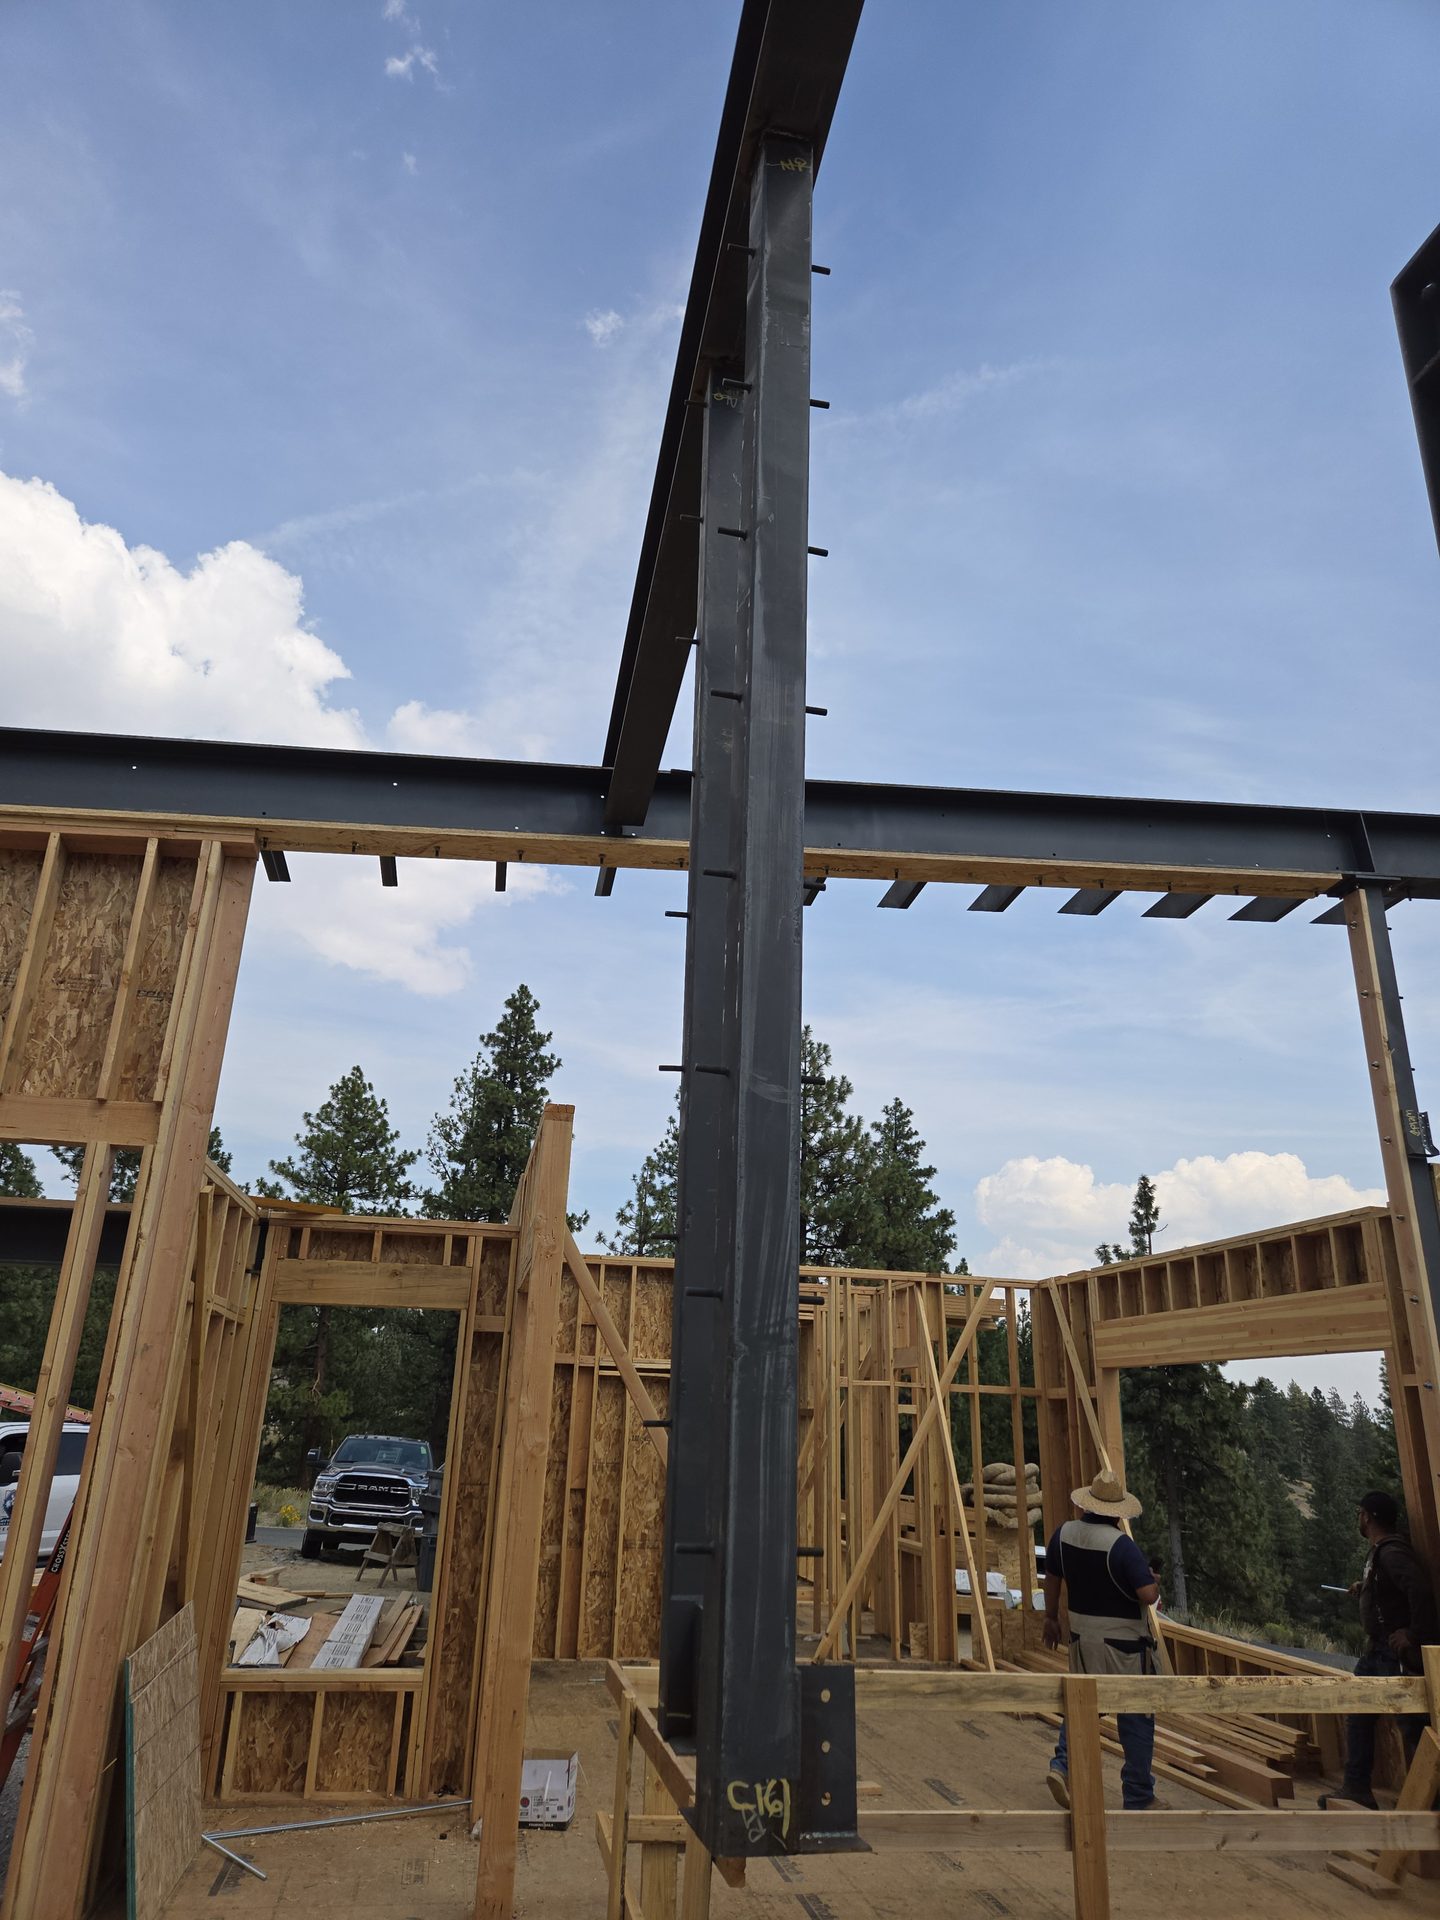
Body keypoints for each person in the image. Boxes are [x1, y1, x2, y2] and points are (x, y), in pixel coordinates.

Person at [1042, 1466, 1163, 1812]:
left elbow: (1052, 1578)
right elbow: (1146, 1594)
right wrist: (1153, 1582)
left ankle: (1061, 1766)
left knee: (1081, 1706)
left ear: (1086, 1505)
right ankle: (1139, 1795)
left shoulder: (1062, 1535)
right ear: (1116, 1513)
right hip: (1124, 1648)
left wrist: (1051, 1618)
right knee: (1136, 1716)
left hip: (1083, 1641)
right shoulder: (1122, 1547)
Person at [1319, 1489, 1437, 1810]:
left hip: (1392, 1654)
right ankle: (1357, 1787)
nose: (1359, 1517)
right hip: (1376, 1653)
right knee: (1359, 1713)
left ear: (1368, 1517)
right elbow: (1393, 1589)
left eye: (1360, 1513)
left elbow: (1420, 1592)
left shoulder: (1392, 1552)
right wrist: (1366, 1588)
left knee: (1413, 1726)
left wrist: (1412, 1635)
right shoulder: (1380, 1551)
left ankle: (1431, 1799)